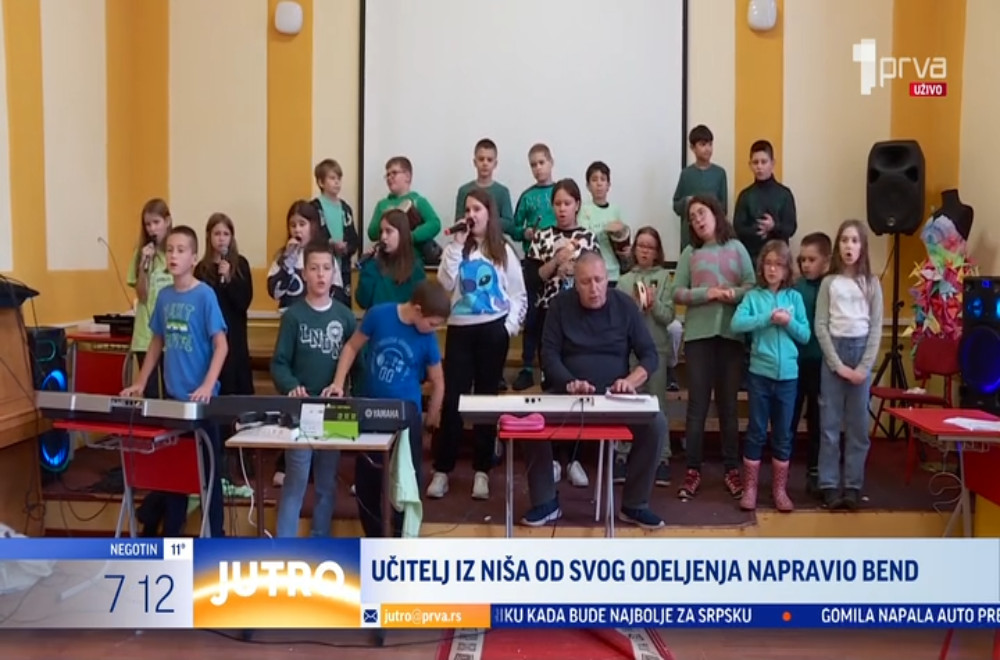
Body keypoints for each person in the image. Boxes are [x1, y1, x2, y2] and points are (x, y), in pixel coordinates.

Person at [522, 251, 666, 530]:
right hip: (568, 396)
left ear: (607, 279)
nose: (594, 288)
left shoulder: (624, 305)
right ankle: (545, 502)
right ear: (575, 283)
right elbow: (548, 355)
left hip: (615, 398)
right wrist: (569, 382)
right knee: (531, 419)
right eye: (585, 282)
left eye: (599, 280)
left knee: (656, 423)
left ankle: (635, 504)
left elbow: (649, 355)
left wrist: (631, 381)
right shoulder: (560, 306)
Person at [121, 226, 228, 538]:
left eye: (181, 250)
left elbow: (221, 345)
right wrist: (141, 382)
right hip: (173, 399)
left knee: (209, 474)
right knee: (175, 476)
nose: (173, 255)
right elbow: (157, 341)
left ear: (194, 258)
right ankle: (171, 534)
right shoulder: (165, 296)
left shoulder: (205, 295)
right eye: (169, 250)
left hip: (202, 404)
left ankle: (216, 537)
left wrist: (207, 385)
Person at [327, 281, 451, 537]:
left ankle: (400, 540)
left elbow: (438, 381)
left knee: (406, 482)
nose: (434, 329)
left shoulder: (427, 338)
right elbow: (351, 347)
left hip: (407, 416)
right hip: (371, 409)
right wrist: (338, 384)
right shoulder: (379, 315)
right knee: (367, 482)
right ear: (418, 310)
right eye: (432, 323)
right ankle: (375, 538)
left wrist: (432, 419)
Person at [429, 189, 526, 500]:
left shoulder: (503, 250)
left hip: (493, 331)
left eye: (477, 209)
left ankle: (482, 470)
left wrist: (507, 329)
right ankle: (443, 470)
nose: (471, 215)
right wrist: (456, 246)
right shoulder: (455, 249)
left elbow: (518, 295)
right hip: (460, 330)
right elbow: (444, 284)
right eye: (468, 209)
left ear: (489, 214)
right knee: (453, 399)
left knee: (486, 401)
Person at [270, 243, 357, 537]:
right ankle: (285, 545)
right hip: (300, 411)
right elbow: (279, 363)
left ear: (334, 274)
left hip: (335, 411)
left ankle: (320, 540)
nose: (321, 275)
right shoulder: (293, 316)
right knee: (295, 480)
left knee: (327, 482)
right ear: (304, 273)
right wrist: (291, 386)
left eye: (326, 268)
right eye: (314, 268)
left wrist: (351, 396)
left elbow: (356, 363)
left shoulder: (345, 316)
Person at [672, 195, 755, 501]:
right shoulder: (690, 253)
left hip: (732, 335)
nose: (697, 220)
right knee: (697, 406)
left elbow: (752, 286)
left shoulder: (737, 248)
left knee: (728, 406)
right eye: (692, 217)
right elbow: (678, 292)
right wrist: (707, 294)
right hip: (698, 337)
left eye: (701, 213)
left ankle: (731, 470)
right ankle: (693, 470)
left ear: (716, 214)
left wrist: (731, 294)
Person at [524, 178, 600, 487]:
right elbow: (533, 279)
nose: (562, 209)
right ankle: (554, 457)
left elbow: (596, 276)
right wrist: (556, 261)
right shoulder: (542, 236)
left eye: (567, 203)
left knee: (579, 382)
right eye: (557, 204)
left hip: (581, 318)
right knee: (553, 384)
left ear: (577, 205)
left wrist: (576, 270)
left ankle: (576, 458)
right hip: (548, 315)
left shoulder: (588, 238)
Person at [731, 240, 810, 513]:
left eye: (779, 264)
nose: (773, 269)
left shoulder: (795, 298)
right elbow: (737, 323)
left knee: (783, 434)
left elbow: (805, 335)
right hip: (759, 376)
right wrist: (767, 318)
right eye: (768, 263)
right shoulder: (753, 297)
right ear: (761, 267)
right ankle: (750, 489)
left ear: (787, 269)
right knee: (755, 431)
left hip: (788, 378)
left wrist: (788, 322)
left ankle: (779, 490)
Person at [816, 220, 883, 511]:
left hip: (860, 352)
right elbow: (821, 326)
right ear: (838, 246)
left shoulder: (872, 283)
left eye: (854, 241)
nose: (849, 246)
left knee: (858, 426)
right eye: (844, 240)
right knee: (829, 425)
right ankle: (829, 484)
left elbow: (876, 328)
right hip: (835, 352)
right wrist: (837, 365)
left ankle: (853, 485)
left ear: (862, 247)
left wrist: (863, 368)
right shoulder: (829, 283)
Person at [613, 227, 674, 487]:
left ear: (657, 252)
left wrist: (653, 304)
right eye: (641, 246)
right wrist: (635, 307)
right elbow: (618, 320)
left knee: (657, 403)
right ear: (634, 249)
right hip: (630, 352)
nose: (645, 251)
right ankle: (622, 454)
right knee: (628, 401)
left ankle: (662, 457)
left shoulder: (665, 278)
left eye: (650, 247)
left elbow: (668, 316)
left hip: (657, 348)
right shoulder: (624, 280)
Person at [508, 143, 557, 392]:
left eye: (541, 162)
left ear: (551, 162)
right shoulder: (527, 196)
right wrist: (525, 232)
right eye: (533, 165)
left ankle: (549, 369)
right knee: (532, 316)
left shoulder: (560, 192)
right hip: (532, 261)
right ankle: (527, 368)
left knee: (553, 318)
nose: (538, 168)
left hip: (557, 261)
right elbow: (514, 228)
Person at [791, 232, 832, 497]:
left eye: (812, 259)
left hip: (822, 364)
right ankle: (782, 471)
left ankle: (815, 471)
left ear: (826, 261)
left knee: (818, 420)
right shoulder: (796, 289)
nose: (806, 265)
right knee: (790, 418)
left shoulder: (832, 286)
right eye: (802, 260)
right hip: (796, 363)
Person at [195, 213, 253, 396]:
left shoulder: (240, 265)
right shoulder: (201, 269)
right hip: (210, 333)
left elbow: (244, 301)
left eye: (226, 234)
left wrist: (229, 278)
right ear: (209, 236)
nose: (221, 239)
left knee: (236, 384)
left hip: (234, 334)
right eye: (217, 234)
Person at [127, 198, 173, 398]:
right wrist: (144, 265)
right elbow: (142, 295)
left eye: (156, 222)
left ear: (167, 221)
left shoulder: (174, 254)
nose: (152, 229)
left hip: (171, 335)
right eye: (148, 224)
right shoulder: (141, 254)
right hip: (145, 335)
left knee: (171, 391)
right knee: (150, 393)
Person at [732, 139, 797, 266]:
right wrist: (759, 229)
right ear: (750, 165)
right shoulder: (745, 195)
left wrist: (773, 227)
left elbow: (791, 228)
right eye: (755, 162)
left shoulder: (784, 194)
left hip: (779, 259)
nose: (759, 167)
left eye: (764, 162)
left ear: (772, 163)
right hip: (752, 259)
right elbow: (738, 229)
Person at [366, 156, 442, 262]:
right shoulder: (382, 204)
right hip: (387, 261)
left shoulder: (417, 201)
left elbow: (435, 224)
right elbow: (372, 233)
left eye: (394, 173)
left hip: (413, 260)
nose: (389, 177)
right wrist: (386, 220)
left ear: (407, 176)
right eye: (387, 175)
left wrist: (410, 236)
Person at [268, 200, 339, 313]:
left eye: (302, 224)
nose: (297, 230)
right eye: (293, 225)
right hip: (290, 316)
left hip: (318, 316)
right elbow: (274, 293)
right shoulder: (282, 256)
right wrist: (287, 262)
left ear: (313, 226)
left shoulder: (324, 255)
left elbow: (336, 291)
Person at [671, 125, 729, 252]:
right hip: (689, 236)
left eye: (710, 144)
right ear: (692, 147)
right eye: (703, 144)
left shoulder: (719, 173)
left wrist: (709, 207)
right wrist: (687, 201)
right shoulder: (686, 174)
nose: (707, 149)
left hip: (713, 235)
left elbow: (723, 209)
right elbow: (676, 205)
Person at [312, 158, 361, 306]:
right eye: (332, 178)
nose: (337, 182)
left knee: (342, 306)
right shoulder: (314, 208)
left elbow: (354, 239)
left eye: (339, 178)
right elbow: (312, 237)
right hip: (321, 268)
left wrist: (346, 248)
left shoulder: (345, 209)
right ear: (321, 182)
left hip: (342, 268)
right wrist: (329, 244)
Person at [356, 209, 426, 309]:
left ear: (402, 234)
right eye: (381, 232)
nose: (383, 237)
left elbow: (421, 303)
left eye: (388, 231)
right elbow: (363, 301)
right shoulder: (374, 265)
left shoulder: (415, 266)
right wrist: (369, 266)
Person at [578, 161, 631, 287]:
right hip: (592, 272)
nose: (599, 183)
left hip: (614, 271)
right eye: (594, 180)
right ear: (588, 186)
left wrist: (627, 250)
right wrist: (605, 230)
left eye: (603, 179)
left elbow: (623, 236)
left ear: (608, 185)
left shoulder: (615, 210)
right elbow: (584, 238)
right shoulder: (584, 210)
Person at [454, 138, 514, 229]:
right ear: (475, 162)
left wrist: (484, 219)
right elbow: (459, 222)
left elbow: (509, 224)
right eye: (481, 159)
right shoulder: (464, 191)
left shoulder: (502, 192)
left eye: (489, 160)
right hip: (470, 237)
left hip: (495, 237)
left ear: (495, 164)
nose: (485, 163)